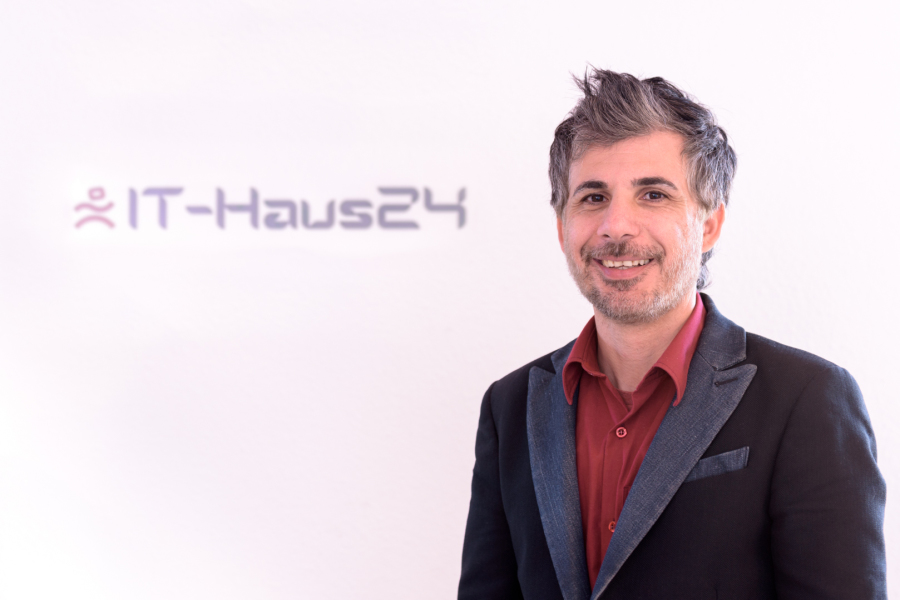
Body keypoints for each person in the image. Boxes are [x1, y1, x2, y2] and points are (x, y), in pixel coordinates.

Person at [457, 69, 886, 600]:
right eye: (592, 197)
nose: (616, 226)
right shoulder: (510, 405)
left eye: (653, 194)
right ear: (562, 226)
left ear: (709, 224)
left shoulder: (807, 398)